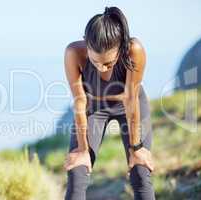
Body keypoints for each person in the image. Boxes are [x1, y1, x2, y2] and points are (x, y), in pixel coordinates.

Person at [63, 6, 156, 200]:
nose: (101, 68)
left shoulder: (134, 50)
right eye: (95, 61)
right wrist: (82, 150)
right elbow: (80, 103)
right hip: (93, 108)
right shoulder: (73, 52)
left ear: (121, 48)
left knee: (140, 170)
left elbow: (131, 100)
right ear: (86, 44)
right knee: (77, 170)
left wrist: (136, 149)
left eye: (109, 64)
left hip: (130, 105)